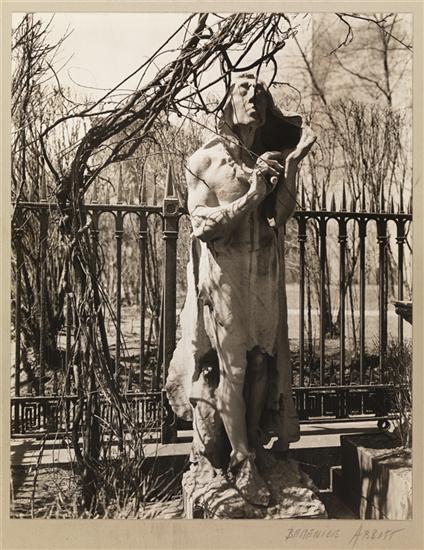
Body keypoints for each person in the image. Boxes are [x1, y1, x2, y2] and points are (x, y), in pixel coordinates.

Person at [166, 73, 316, 505]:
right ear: (227, 104)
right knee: (232, 369)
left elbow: (280, 217)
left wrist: (292, 164)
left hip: (264, 271)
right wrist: (252, 195)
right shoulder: (205, 161)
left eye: (261, 92)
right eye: (244, 89)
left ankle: (252, 445)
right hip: (225, 274)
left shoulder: (262, 159)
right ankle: (241, 459)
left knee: (262, 364)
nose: (255, 97)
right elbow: (201, 225)